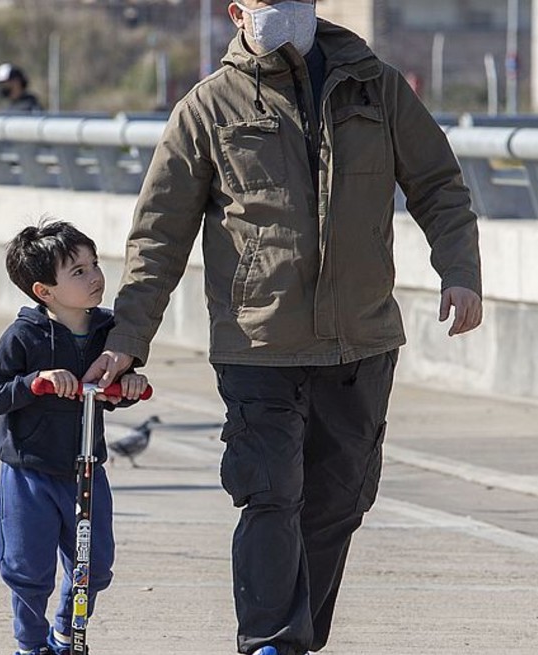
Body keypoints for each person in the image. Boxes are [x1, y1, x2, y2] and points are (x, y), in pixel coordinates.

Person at [83, 2, 484, 654]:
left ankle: (297, 637)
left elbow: (438, 183)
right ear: (238, 11)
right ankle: (271, 640)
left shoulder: (373, 85)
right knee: (270, 497)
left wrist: (460, 270)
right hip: (257, 345)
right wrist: (129, 338)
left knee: (337, 504)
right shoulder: (208, 108)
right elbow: (158, 237)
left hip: (361, 340)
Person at [0, 221, 148, 655]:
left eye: (94, 265)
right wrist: (33, 382)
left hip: (85, 469)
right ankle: (30, 644)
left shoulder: (109, 332)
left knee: (94, 566)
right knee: (27, 569)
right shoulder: (24, 335)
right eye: (78, 271)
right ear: (43, 291)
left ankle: (66, 631)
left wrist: (128, 386)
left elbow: (115, 389)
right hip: (28, 471)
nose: (94, 277)